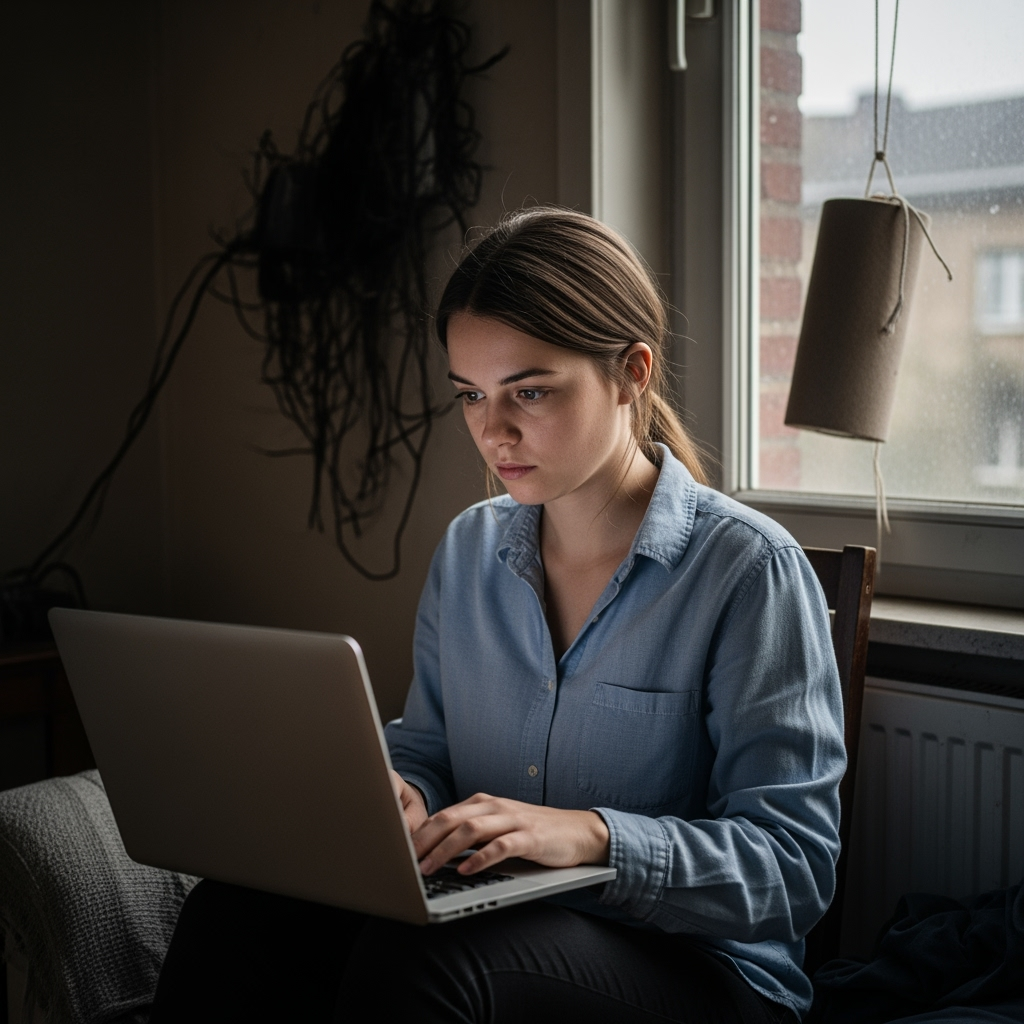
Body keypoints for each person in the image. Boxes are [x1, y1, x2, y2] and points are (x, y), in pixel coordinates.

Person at [151, 208, 845, 1023]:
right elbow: (428, 749)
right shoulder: (469, 552)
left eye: (531, 392)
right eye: (472, 396)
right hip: (503, 919)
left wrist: (591, 837)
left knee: (426, 962)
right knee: (233, 913)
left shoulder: (748, 570)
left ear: (632, 373)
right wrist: (402, 794)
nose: (493, 431)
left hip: (701, 972)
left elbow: (794, 868)